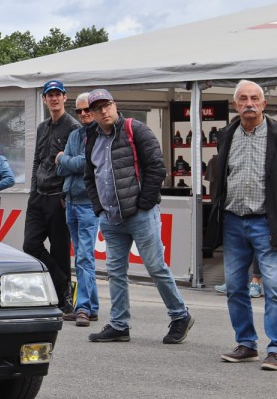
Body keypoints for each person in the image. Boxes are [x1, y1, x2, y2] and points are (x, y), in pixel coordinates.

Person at [83, 88, 194, 344]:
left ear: (114, 104)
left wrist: (144, 204)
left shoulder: (136, 129)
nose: (104, 111)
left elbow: (157, 167)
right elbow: (90, 176)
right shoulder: (92, 139)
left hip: (140, 214)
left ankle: (180, 315)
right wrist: (99, 208)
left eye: (107, 105)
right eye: (98, 108)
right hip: (111, 217)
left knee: (156, 267)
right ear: (92, 113)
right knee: (115, 272)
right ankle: (119, 325)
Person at [204, 80, 277, 370]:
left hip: (266, 222)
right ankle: (246, 344)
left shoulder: (275, 134)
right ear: (236, 104)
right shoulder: (226, 134)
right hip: (233, 221)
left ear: (264, 103)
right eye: (244, 99)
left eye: (255, 98)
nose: (249, 103)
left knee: (273, 287)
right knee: (235, 288)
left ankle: (275, 348)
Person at [24, 80, 79, 314]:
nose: (54, 98)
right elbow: (38, 159)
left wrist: (65, 193)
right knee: (30, 245)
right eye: (50, 95)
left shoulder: (73, 127)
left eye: (58, 94)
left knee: (59, 249)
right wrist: (33, 188)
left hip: (59, 196)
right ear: (44, 99)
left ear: (65, 98)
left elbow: (74, 163)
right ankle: (62, 284)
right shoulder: (41, 127)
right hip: (39, 195)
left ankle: (63, 297)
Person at [55, 93, 101, 327]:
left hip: (88, 203)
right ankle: (90, 307)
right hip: (71, 201)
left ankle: (82, 307)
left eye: (87, 110)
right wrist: (68, 161)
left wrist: (64, 158)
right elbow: (63, 171)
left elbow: (84, 164)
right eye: (79, 111)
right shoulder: (75, 134)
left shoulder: (100, 134)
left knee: (84, 256)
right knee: (82, 257)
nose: (83, 114)